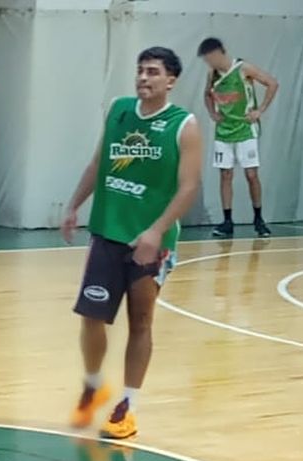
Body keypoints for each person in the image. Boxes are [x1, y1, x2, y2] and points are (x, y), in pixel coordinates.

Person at [61, 47, 201, 440]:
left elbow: (188, 186)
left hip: (151, 241)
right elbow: (98, 163)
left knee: (141, 321)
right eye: (140, 70)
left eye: (153, 72)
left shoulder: (183, 125)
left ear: (170, 80)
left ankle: (127, 406)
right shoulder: (120, 110)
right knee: (92, 316)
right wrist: (73, 205)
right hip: (109, 231)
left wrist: (156, 230)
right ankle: (93, 383)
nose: (143, 78)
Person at [197, 37, 278, 238]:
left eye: (211, 58)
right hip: (224, 130)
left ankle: (259, 218)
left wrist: (260, 110)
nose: (210, 62)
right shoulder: (213, 74)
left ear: (221, 53)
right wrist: (212, 113)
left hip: (245, 129)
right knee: (225, 175)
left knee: (251, 175)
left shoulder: (243, 68)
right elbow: (207, 94)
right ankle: (227, 221)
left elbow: (272, 83)